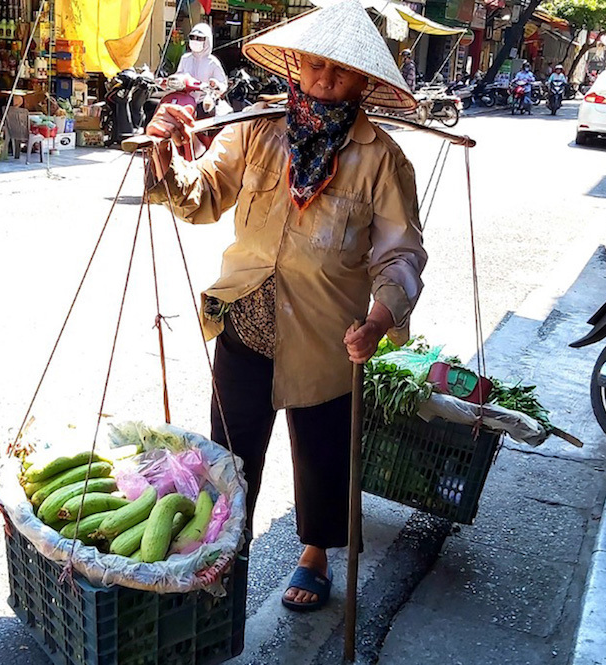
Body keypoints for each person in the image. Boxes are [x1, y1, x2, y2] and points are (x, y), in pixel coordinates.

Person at [145, 0, 426, 612]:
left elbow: (400, 254)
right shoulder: (254, 129)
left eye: (343, 71)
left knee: (322, 452)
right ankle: (223, 555)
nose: (325, 79)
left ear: (366, 82)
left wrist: (379, 320)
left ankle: (315, 553)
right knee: (230, 453)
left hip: (329, 334)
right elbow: (203, 195)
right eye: (316, 65)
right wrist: (167, 155)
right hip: (246, 318)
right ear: (295, 64)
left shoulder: (382, 159)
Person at [176, 23, 227, 94]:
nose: (195, 40)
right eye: (192, 37)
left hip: (204, 100)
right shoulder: (185, 58)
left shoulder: (212, 62)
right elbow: (177, 78)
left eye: (199, 38)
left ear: (207, 40)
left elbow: (223, 85)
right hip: (185, 99)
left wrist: (215, 84)